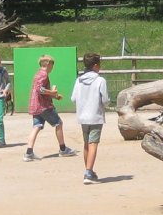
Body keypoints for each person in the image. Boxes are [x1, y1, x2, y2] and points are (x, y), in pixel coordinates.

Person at [23, 54, 76, 162]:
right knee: (59, 123)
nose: (53, 67)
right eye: (52, 65)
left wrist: (55, 96)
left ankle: (29, 153)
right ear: (48, 64)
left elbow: (41, 92)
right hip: (44, 107)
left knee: (36, 126)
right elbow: (40, 90)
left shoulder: (37, 74)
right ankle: (63, 149)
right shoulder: (44, 75)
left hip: (36, 106)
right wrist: (52, 92)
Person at [72, 52, 110, 184]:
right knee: (93, 143)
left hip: (82, 117)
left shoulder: (78, 80)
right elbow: (105, 99)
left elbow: (73, 98)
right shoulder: (100, 81)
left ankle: (89, 170)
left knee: (86, 144)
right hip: (96, 116)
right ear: (95, 66)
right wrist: (107, 104)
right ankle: (88, 173)